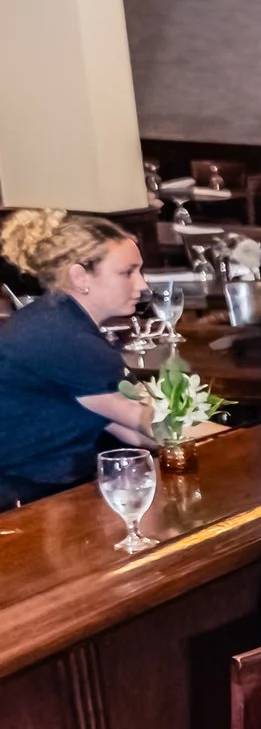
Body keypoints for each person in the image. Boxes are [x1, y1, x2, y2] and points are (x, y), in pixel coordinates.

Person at [0, 210, 156, 508]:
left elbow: (124, 428)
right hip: (23, 504)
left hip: (36, 490)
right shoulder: (67, 339)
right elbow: (155, 426)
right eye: (127, 272)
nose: (142, 286)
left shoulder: (52, 319)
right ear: (80, 276)